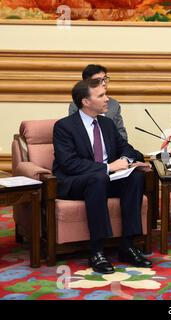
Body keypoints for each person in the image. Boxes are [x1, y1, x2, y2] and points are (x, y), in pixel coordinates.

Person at [53, 79, 152, 274]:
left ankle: (127, 245)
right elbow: (69, 164)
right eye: (101, 96)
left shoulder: (106, 124)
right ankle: (96, 250)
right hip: (75, 182)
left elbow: (127, 149)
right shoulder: (64, 127)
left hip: (105, 180)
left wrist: (125, 160)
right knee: (98, 178)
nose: (107, 99)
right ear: (85, 102)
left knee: (135, 178)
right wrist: (108, 167)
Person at [69, 64, 128, 141]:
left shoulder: (113, 104)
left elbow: (121, 132)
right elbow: (74, 133)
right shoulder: (76, 105)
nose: (104, 83)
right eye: (98, 80)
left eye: (104, 79)